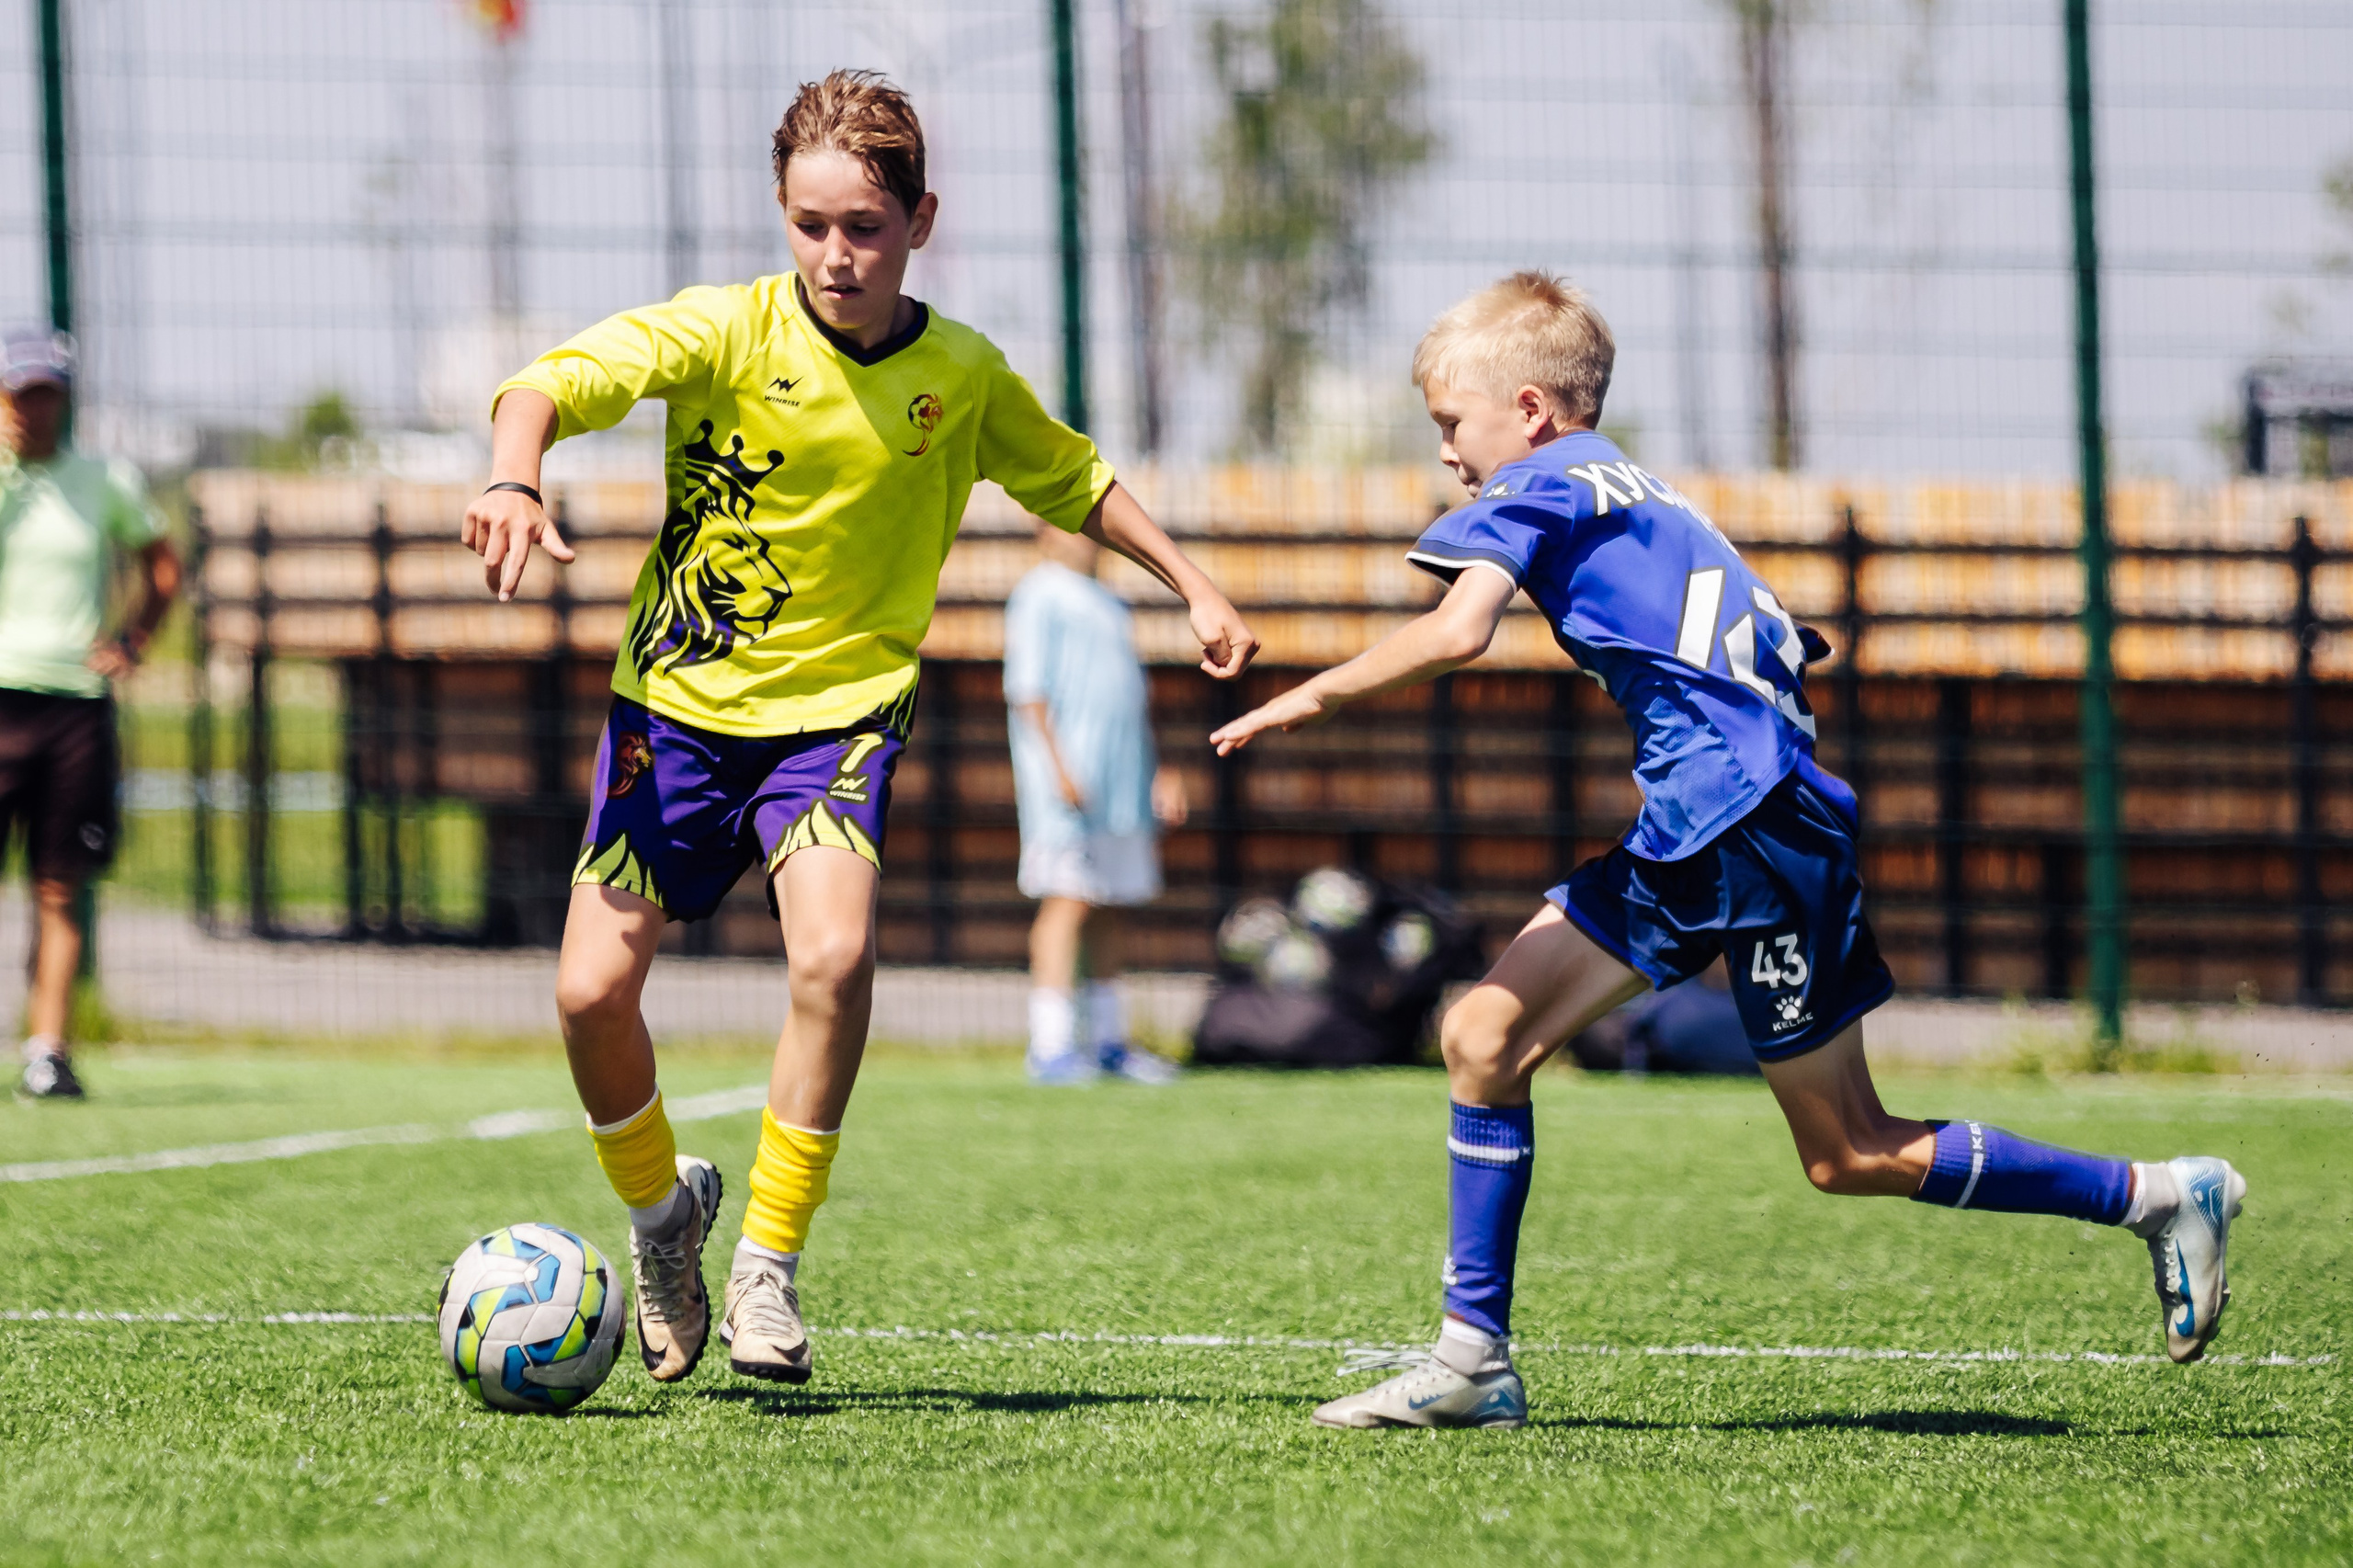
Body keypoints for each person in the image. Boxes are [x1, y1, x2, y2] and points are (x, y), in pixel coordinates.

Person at [1210, 271, 2246, 1431]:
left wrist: (1312, 698)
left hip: (1735, 822)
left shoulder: (1537, 482)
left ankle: (2155, 1194)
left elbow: (1457, 629)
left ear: (1533, 408)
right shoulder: (1647, 491)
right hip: (1748, 816)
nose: (1449, 452)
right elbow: (1784, 639)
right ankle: (1472, 1359)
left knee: (1817, 1137)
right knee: (1527, 1046)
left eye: (1453, 423)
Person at [460, 71, 1256, 1390]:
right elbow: (547, 382)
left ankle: (766, 1266)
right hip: (674, 708)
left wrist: (1201, 585)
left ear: (920, 221)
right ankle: (668, 1221)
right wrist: (510, 471)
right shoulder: (724, 332)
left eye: (866, 227)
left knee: (834, 956)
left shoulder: (962, 373)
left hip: (839, 721)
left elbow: (1084, 479)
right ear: (782, 215)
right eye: (812, 223)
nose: (837, 253)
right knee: (589, 991)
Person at [1, 326, 180, 1102]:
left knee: (57, 884)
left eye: (45, 394)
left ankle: (49, 1049)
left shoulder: (103, 478)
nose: (33, 410)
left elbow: (162, 563)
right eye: (20, 394)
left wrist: (133, 638)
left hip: (73, 705)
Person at [1006, 517, 1188, 1085]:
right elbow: (1028, 693)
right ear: (1043, 531)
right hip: (1069, 788)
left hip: (1122, 787)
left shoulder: (1111, 602)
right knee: (1067, 901)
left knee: (1111, 903)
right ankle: (1052, 1045)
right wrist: (1059, 769)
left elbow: (1129, 701)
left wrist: (1155, 774)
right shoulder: (1038, 594)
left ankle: (1110, 1043)